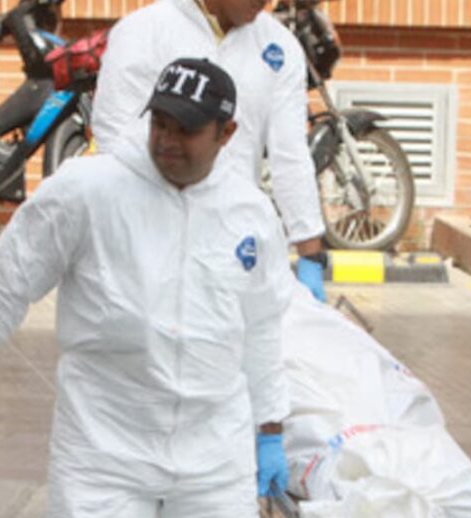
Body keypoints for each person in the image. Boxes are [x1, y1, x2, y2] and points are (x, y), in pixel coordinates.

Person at [0, 58, 291, 518]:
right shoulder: (89, 190)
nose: (167, 140)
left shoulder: (250, 213)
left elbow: (265, 325)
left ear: (226, 134)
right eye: (160, 123)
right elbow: (10, 277)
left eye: (185, 130)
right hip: (104, 439)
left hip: (213, 443)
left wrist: (271, 428)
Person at [92, 0, 329, 301]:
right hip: (148, 241)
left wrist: (311, 257)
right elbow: (116, 140)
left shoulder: (280, 47)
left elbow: (291, 155)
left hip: (232, 249)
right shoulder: (143, 32)